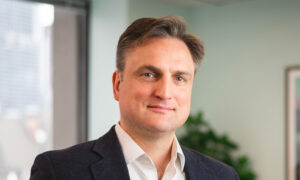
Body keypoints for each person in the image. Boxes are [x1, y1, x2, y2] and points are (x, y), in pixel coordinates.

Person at [30, 16, 239, 180]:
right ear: (117, 85)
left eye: (179, 78)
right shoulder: (59, 171)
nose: (165, 92)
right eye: (149, 75)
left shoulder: (222, 176)